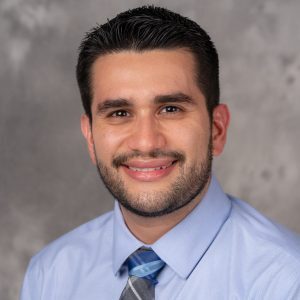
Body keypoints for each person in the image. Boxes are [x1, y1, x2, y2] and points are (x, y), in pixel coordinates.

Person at [20, 5, 300, 300]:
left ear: (216, 129)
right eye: (119, 113)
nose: (146, 142)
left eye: (170, 109)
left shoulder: (286, 282)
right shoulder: (50, 275)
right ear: (90, 137)